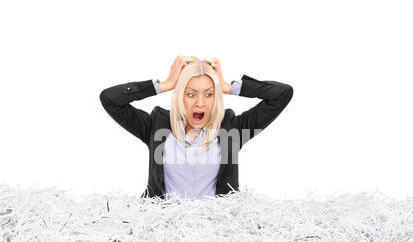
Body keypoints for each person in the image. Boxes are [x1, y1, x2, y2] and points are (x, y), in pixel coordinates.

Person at [99, 55, 294, 201]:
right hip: (163, 231)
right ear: (180, 96)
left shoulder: (231, 130)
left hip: (216, 233)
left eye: (208, 94)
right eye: (191, 94)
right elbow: (110, 99)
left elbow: (282, 94)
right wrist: (164, 85)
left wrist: (229, 87)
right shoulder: (156, 126)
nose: (200, 103)